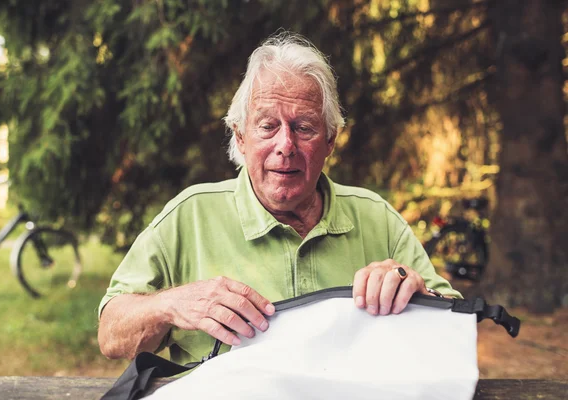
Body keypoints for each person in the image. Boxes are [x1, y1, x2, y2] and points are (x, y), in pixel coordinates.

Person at [97, 32, 461, 364]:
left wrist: (414, 287)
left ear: (331, 140)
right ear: (240, 137)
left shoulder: (375, 218)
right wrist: (170, 304)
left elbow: (454, 329)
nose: (285, 146)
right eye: (267, 126)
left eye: (304, 127)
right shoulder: (190, 215)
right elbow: (111, 335)